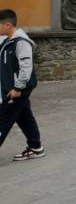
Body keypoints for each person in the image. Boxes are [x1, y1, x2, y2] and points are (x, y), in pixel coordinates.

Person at [0, 9, 43, 161]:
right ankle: (35, 147)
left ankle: (35, 146)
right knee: (24, 117)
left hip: (17, 90)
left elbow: (26, 67)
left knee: (2, 119)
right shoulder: (6, 41)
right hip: (10, 89)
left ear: (7, 25)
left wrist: (18, 88)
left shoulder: (21, 42)